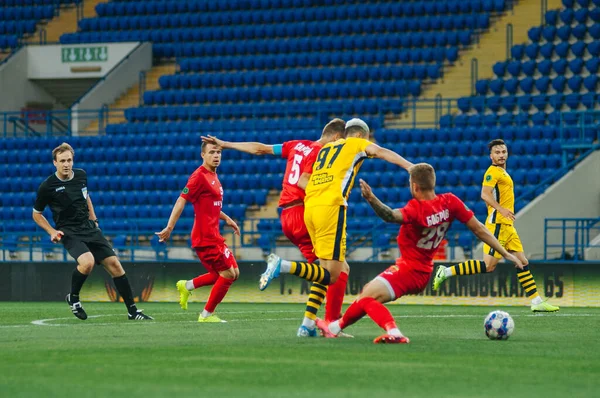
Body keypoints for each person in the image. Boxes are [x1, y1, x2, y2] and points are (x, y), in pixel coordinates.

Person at [316, 164, 525, 343]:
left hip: (408, 269)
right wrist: (505, 253)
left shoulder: (416, 209)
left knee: (367, 298)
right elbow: (479, 229)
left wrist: (371, 198)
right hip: (423, 270)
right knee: (367, 293)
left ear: (414, 186)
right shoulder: (450, 202)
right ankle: (334, 328)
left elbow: (390, 215)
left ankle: (394, 332)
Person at [259, 118, 414, 332]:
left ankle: (315, 325)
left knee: (335, 269)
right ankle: (283, 266)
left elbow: (303, 179)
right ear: (360, 135)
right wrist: (409, 166)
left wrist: (319, 189)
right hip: (330, 207)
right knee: (332, 275)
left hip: (310, 208)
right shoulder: (355, 143)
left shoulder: (325, 148)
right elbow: (382, 152)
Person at [201, 119, 346, 336]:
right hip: (303, 212)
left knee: (321, 271)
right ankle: (330, 322)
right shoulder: (320, 153)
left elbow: (260, 148)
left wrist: (226, 144)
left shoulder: (297, 145)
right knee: (338, 270)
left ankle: (307, 326)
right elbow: (303, 182)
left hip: (286, 215)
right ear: (336, 137)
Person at [432, 139, 559, 312]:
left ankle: (536, 302)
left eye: (503, 152)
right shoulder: (492, 172)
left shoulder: (504, 172)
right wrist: (500, 209)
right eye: (497, 152)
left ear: (507, 153)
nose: (501, 155)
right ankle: (445, 272)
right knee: (489, 266)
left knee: (522, 262)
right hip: (498, 224)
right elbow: (484, 194)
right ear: (491, 156)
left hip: (507, 226)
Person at [32, 143, 152, 321]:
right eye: (62, 161)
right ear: (55, 163)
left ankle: (133, 311)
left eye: (69, 160)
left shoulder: (81, 175)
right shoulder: (47, 186)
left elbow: (86, 196)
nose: (66, 164)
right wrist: (51, 231)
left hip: (88, 228)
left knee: (115, 265)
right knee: (87, 262)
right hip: (68, 231)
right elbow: (36, 214)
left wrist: (94, 220)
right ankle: (74, 298)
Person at [155, 141, 241, 323]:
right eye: (212, 152)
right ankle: (206, 315)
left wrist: (227, 219)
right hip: (205, 237)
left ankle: (187, 285)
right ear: (203, 155)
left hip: (214, 235)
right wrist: (169, 227)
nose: (216, 155)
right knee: (228, 275)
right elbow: (181, 200)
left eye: (218, 152)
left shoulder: (214, 176)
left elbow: (211, 207)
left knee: (233, 273)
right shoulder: (199, 176)